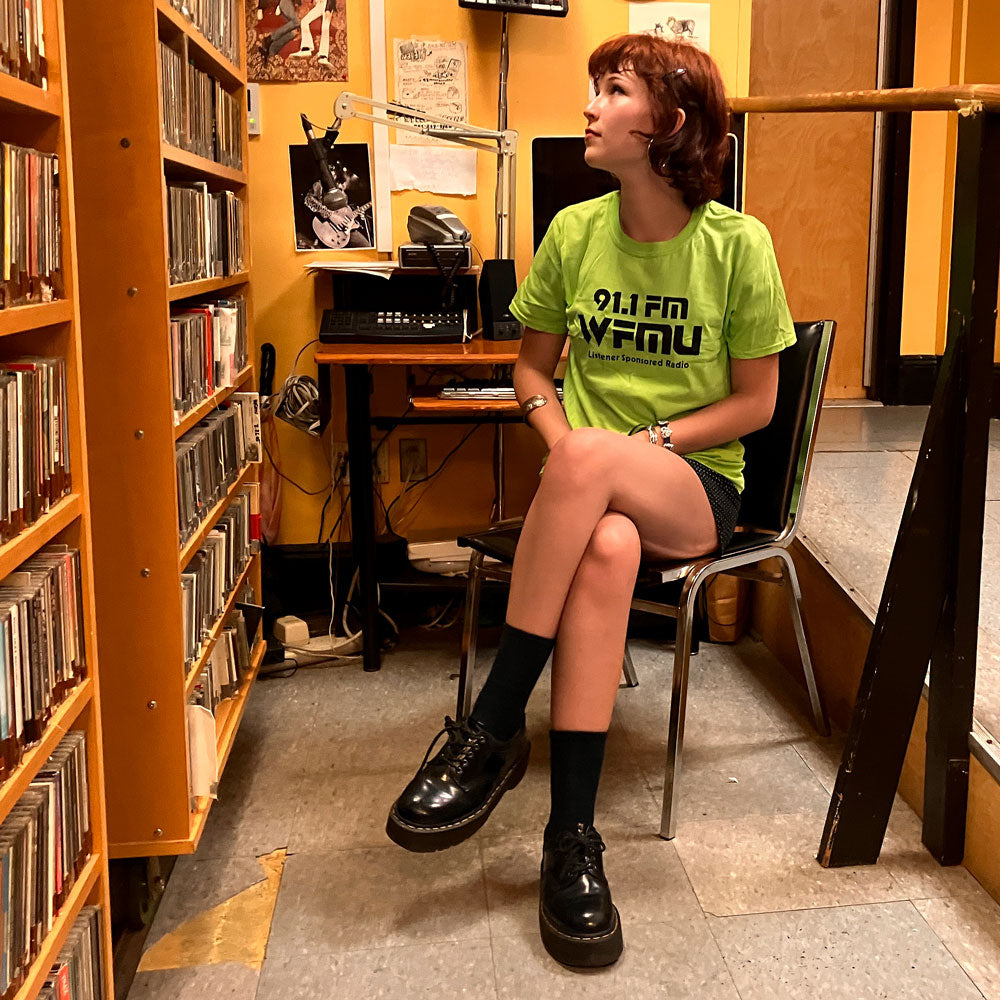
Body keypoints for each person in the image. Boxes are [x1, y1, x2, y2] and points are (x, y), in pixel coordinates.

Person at [386, 33, 797, 969]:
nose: (589, 107)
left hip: (695, 483)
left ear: (669, 124)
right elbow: (532, 373)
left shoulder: (738, 245)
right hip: (592, 491)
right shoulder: (575, 232)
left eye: (612, 90)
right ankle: (571, 837)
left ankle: (491, 729)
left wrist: (636, 447)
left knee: (591, 472)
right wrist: (574, 446)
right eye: (595, 89)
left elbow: (756, 403)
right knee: (606, 545)